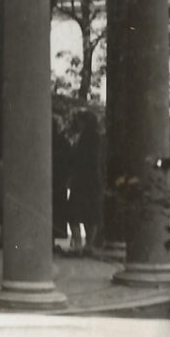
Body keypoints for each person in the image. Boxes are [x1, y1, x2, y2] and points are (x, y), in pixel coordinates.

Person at [65, 109, 105, 257]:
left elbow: (77, 161)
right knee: (92, 215)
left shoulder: (81, 140)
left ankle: (78, 244)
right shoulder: (98, 139)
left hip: (81, 181)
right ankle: (88, 244)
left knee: (74, 214)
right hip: (94, 182)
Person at [51, 115, 73, 251]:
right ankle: (55, 238)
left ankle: (51, 240)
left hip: (53, 181)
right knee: (58, 212)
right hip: (60, 182)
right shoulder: (64, 142)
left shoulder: (44, 141)